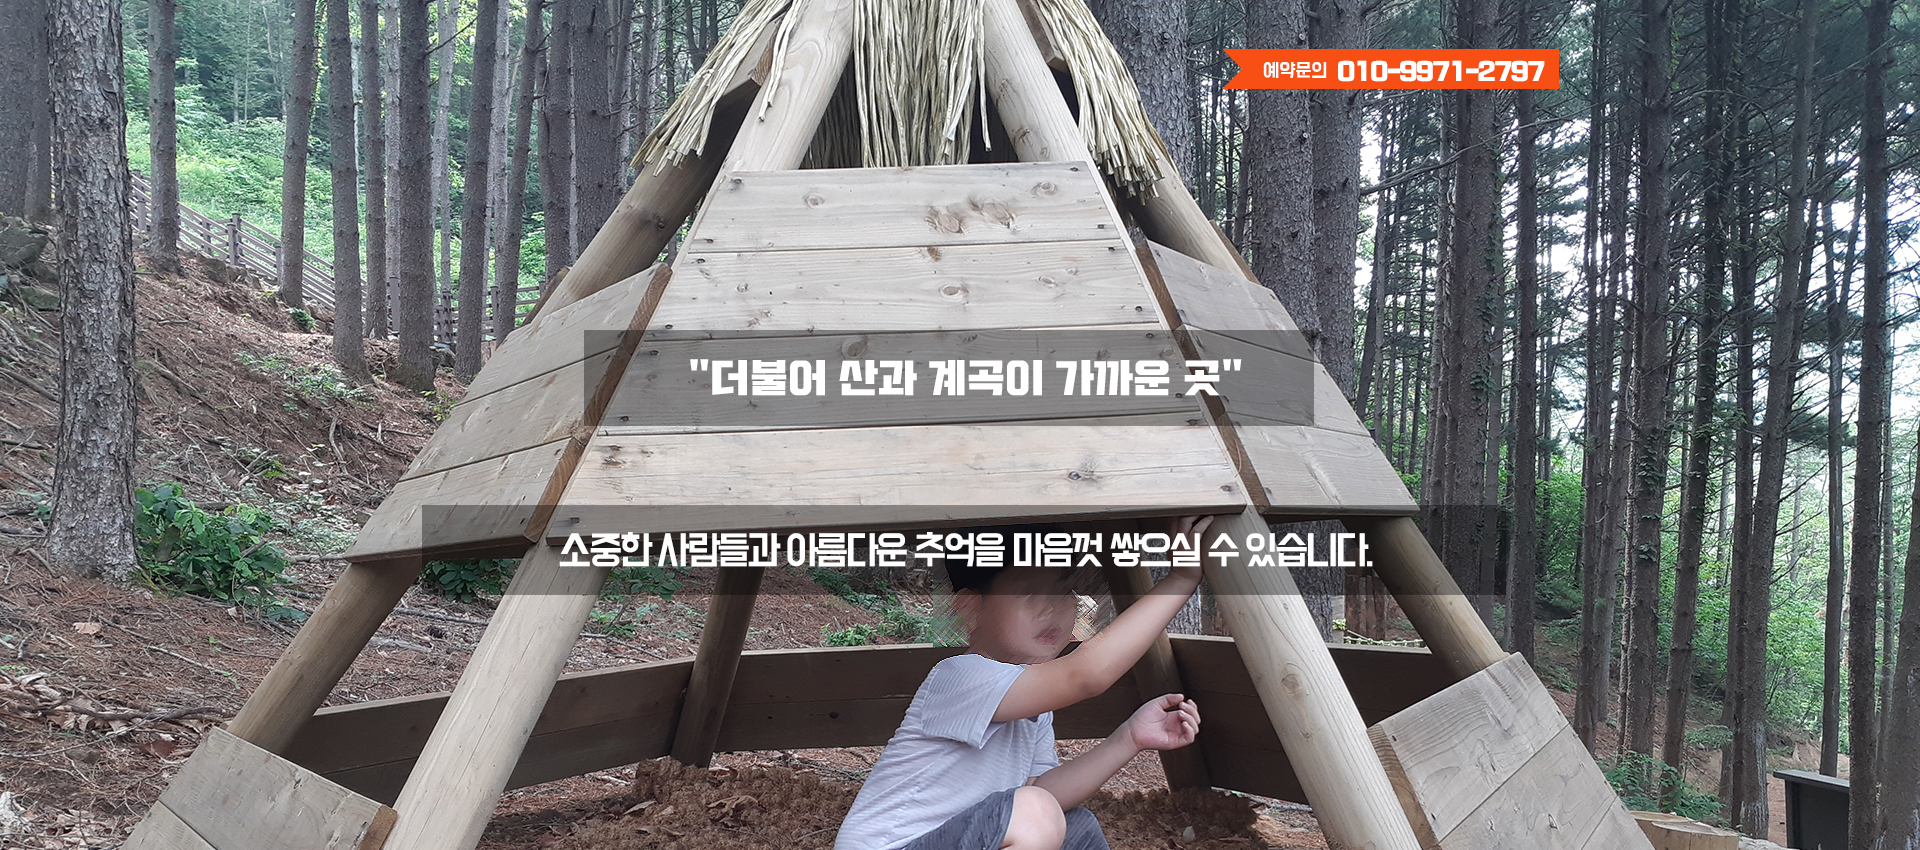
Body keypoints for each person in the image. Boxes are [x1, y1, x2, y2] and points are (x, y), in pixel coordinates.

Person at [832, 515, 1217, 850]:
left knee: (1073, 824)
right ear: (969, 608)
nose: (1051, 606)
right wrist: (1181, 578)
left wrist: (1129, 738)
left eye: (1063, 591)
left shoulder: (1032, 709)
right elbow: (1084, 676)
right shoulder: (961, 675)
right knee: (1035, 810)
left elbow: (1043, 790)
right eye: (1029, 591)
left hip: (965, 837)